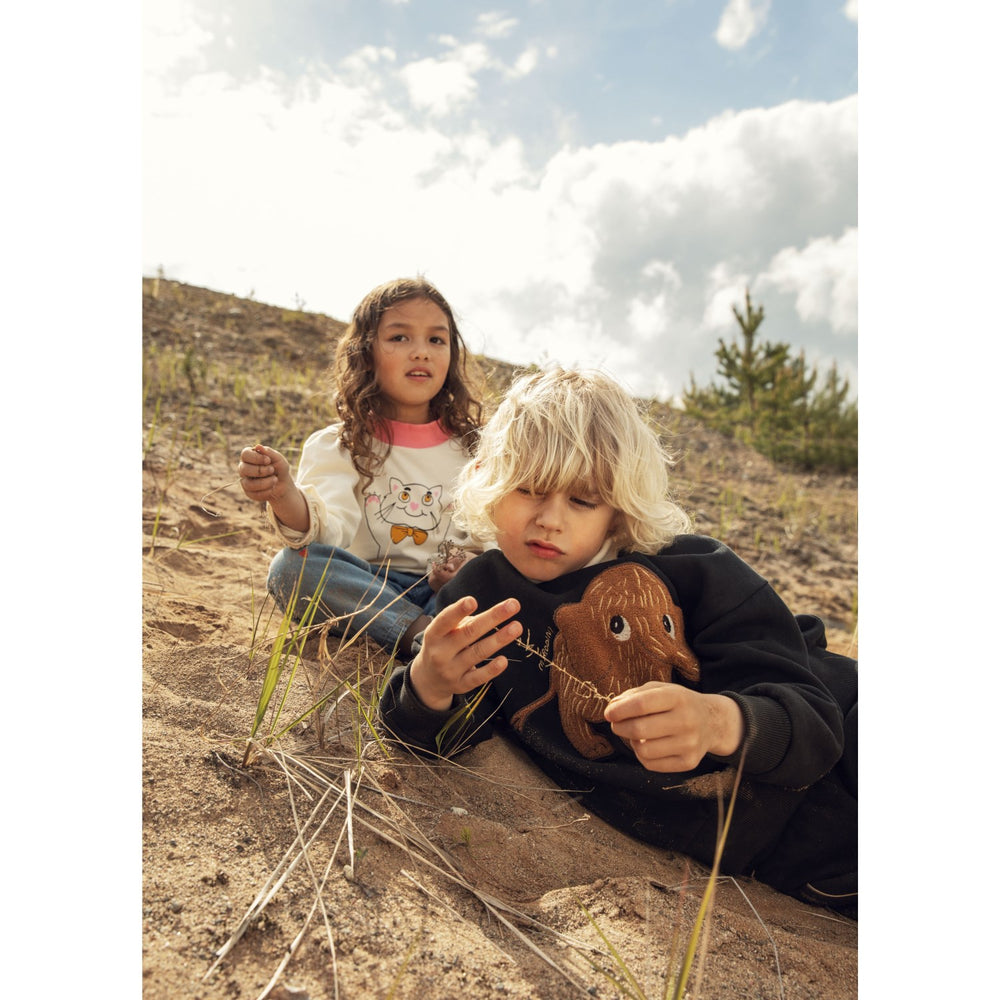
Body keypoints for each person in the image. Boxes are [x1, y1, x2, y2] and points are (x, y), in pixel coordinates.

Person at [378, 368, 858, 915]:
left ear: (617, 513)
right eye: (528, 489)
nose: (549, 519)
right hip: (799, 860)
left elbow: (817, 721)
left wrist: (718, 722)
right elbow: (434, 737)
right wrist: (429, 685)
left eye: (583, 500)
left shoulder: (697, 568)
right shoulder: (479, 597)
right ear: (490, 484)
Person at [238, 277, 484, 656]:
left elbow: (492, 536)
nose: (421, 352)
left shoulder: (475, 449)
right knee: (290, 569)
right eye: (399, 337)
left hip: (447, 596)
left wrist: (470, 564)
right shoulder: (340, 445)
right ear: (366, 352)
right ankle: (420, 637)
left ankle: (429, 637)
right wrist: (283, 494)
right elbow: (325, 533)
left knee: (503, 581)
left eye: (437, 339)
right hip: (368, 590)